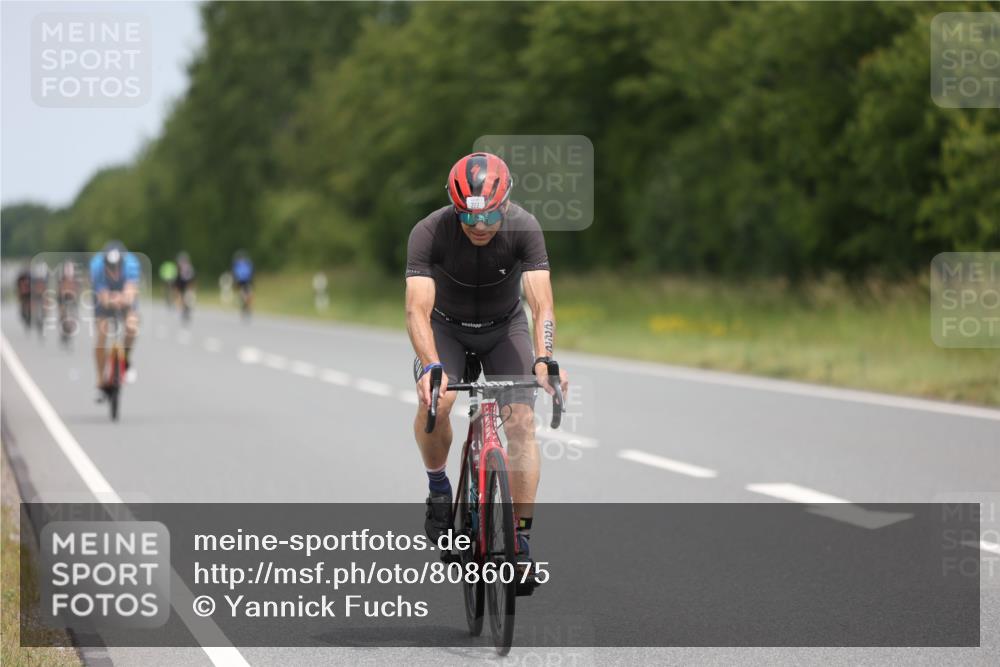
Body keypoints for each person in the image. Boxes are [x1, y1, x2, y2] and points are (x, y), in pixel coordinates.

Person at [405, 152, 569, 571]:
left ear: (506, 203)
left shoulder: (525, 227)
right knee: (437, 401)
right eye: (468, 217)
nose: (479, 226)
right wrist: (431, 366)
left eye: (490, 216)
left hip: (503, 328)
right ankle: (439, 488)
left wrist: (545, 358)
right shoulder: (429, 231)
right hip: (446, 328)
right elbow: (417, 310)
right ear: (454, 208)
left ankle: (521, 540)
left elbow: (541, 304)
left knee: (521, 423)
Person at [90, 241, 141, 394]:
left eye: (117, 267)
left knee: (132, 326)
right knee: (102, 335)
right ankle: (100, 379)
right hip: (104, 300)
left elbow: (131, 291)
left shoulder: (131, 264)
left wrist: (123, 298)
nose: (114, 270)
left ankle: (125, 358)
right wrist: (112, 300)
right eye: (111, 267)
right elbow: (103, 296)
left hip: (124, 297)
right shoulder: (97, 266)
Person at [174, 251, 196, 322]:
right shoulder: (179, 268)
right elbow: (177, 279)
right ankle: (185, 310)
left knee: (187, 298)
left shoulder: (188, 268)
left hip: (186, 285)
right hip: (181, 285)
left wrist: (191, 287)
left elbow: (192, 278)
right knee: (182, 299)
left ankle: (186, 309)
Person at [232, 250, 254, 316]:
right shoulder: (240, 264)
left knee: (247, 294)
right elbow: (236, 274)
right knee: (244, 294)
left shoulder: (242, 264)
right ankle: (245, 307)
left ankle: (247, 307)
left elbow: (250, 273)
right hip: (241, 281)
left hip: (246, 281)